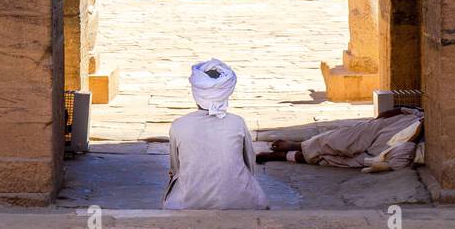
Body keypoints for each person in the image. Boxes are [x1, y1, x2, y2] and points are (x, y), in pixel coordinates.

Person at [162, 59, 268, 210]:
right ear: (226, 93)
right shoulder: (237, 122)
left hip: (189, 203)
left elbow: (175, 168)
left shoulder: (179, 125)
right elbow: (249, 163)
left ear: (196, 93)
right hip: (240, 201)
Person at [255, 106, 423, 173]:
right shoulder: (416, 116)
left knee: (335, 160)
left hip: (393, 146)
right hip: (395, 125)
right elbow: (398, 111)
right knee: (341, 140)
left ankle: (285, 156)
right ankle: (297, 145)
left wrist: (414, 136)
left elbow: (400, 161)